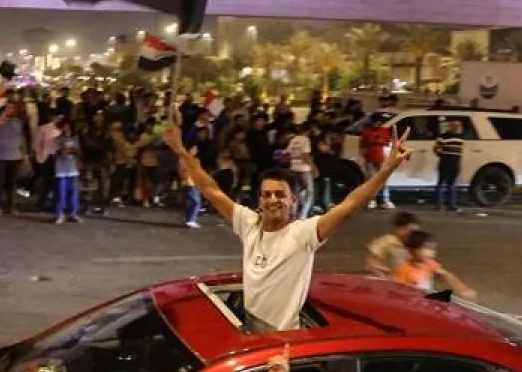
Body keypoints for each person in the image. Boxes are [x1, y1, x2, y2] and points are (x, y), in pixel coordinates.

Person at [166, 122, 412, 332]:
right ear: (260, 200)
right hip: (249, 326)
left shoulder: (303, 234)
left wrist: (386, 169)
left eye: (280, 195)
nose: (273, 200)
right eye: (268, 195)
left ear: (293, 200)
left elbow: (349, 205)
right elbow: (210, 190)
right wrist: (180, 150)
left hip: (281, 338)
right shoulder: (248, 223)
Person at [393, 229, 476, 300]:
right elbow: (398, 291)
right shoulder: (404, 269)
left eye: (433, 250)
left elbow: (446, 275)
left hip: (426, 300)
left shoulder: (430, 264)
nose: (432, 253)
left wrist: (463, 289)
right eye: (427, 249)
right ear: (413, 250)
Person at [0, 101, 29, 213]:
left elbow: (22, 139)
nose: (10, 110)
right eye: (8, 108)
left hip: (14, 156)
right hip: (0, 156)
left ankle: (12, 206)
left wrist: (24, 154)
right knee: (0, 183)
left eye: (12, 108)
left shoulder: (18, 122)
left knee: (12, 183)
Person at [366, 210, 421, 278]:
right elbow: (372, 263)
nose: (412, 235)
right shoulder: (385, 242)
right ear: (397, 229)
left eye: (415, 232)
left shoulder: (416, 242)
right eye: (409, 231)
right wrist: (384, 274)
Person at [359, 113, 396, 209]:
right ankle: (372, 200)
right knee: (371, 180)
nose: (376, 124)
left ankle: (385, 199)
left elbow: (388, 143)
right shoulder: (366, 132)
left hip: (381, 158)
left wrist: (381, 142)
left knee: (384, 179)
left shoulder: (384, 131)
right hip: (370, 159)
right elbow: (362, 146)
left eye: (378, 122)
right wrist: (364, 156)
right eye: (375, 122)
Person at [434, 118, 465, 210]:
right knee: (451, 185)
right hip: (455, 164)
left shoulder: (443, 137)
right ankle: (451, 205)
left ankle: (439, 205)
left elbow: (436, 149)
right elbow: (459, 152)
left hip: (444, 163)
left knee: (440, 184)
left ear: (450, 127)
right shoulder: (461, 139)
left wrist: (441, 154)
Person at [286, 122, 315, 217]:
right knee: (310, 192)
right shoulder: (305, 140)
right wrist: (313, 167)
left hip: (293, 167)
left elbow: (288, 154)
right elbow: (305, 155)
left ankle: (294, 213)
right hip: (304, 169)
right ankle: (303, 215)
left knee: (296, 192)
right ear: (308, 131)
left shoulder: (293, 140)